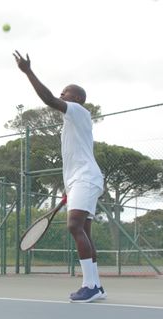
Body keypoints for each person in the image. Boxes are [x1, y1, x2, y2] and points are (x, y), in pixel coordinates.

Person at [13, 50, 105, 303]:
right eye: (62, 92)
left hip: (86, 178)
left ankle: (90, 287)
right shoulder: (72, 124)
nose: (61, 95)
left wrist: (28, 71)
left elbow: (48, 99)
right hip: (80, 180)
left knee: (74, 226)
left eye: (65, 92)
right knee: (84, 230)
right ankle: (95, 284)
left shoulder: (77, 110)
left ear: (75, 98)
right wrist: (68, 189)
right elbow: (75, 159)